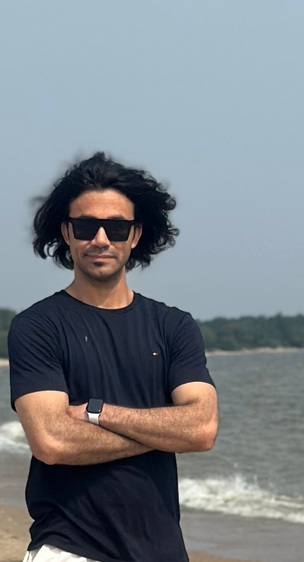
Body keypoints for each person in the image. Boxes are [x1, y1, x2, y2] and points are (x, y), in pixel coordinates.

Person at [8, 152, 218, 562]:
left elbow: (202, 428)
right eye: (86, 227)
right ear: (67, 233)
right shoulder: (36, 327)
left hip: (163, 550)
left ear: (135, 235)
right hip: (68, 549)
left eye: (117, 227)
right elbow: (52, 441)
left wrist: (97, 413)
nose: (101, 239)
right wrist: (162, 433)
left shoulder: (173, 326)